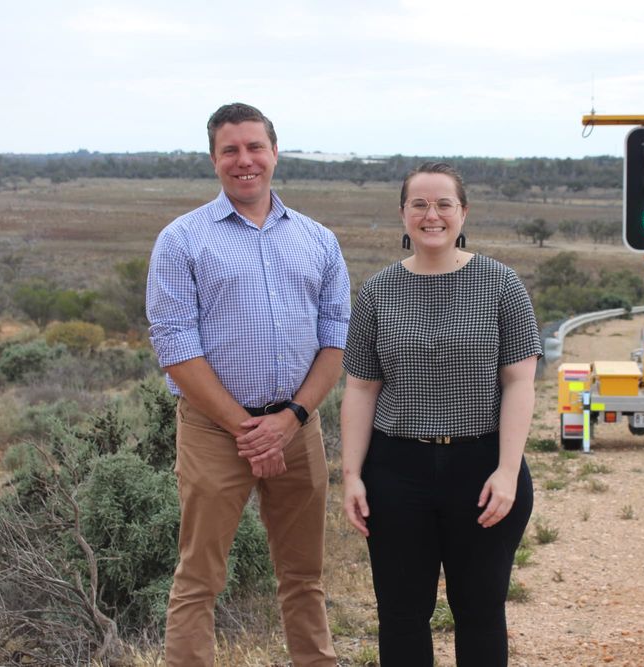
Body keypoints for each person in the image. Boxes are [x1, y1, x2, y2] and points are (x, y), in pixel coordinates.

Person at [146, 102, 350, 667]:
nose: (245, 161)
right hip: (215, 433)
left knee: (304, 573)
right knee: (199, 577)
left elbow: (336, 340)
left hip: (297, 428)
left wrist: (289, 421)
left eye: (255, 147)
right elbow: (176, 349)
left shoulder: (318, 240)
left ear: (275, 153)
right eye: (230, 150)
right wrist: (248, 430)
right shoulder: (181, 240)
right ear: (214, 160)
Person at [340, 162, 541, 666]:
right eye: (420, 204)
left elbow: (520, 382)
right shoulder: (377, 292)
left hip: (482, 468)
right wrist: (351, 477)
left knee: (479, 610)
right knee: (402, 614)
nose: (432, 215)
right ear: (403, 214)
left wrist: (508, 470)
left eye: (444, 204)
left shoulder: (501, 285)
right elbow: (361, 388)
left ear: (463, 212)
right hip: (395, 471)